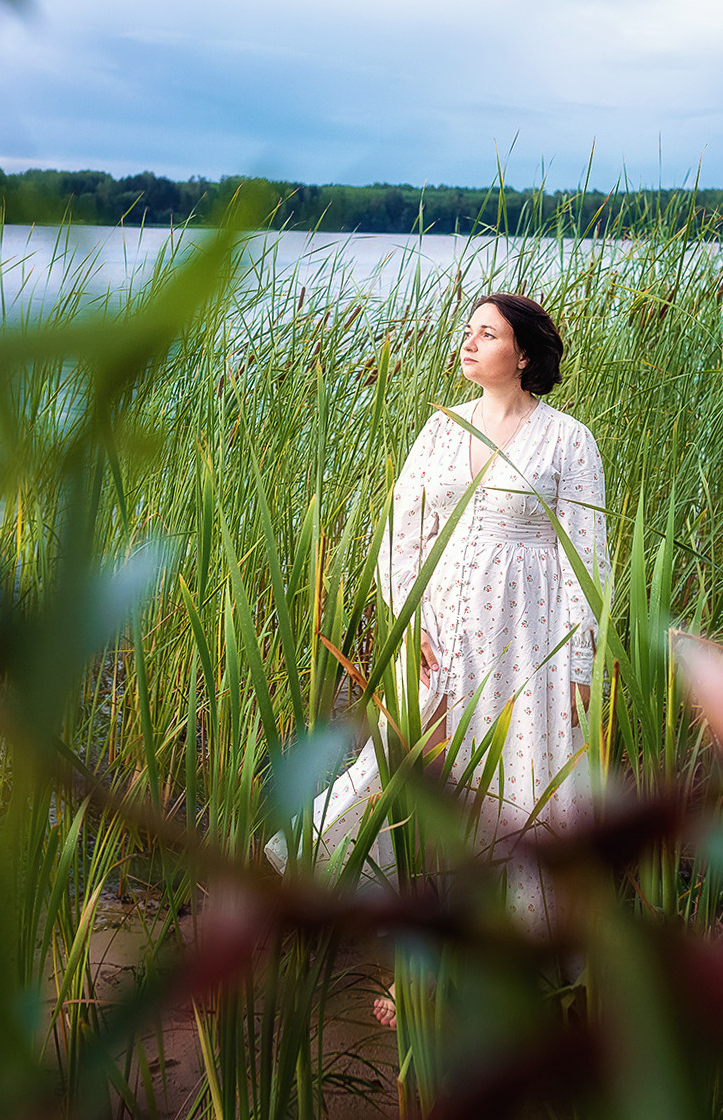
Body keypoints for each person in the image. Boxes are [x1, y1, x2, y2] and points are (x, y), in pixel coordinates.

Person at [265, 292, 610, 1025]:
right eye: (468, 330)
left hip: (531, 647)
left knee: (520, 795)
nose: (469, 341)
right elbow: (402, 531)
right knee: (417, 787)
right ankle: (415, 965)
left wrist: (579, 664)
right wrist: (411, 613)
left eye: (488, 333)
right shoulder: (441, 430)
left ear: (521, 354)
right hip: (445, 645)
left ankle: (511, 964)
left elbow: (589, 557)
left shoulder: (568, 441)